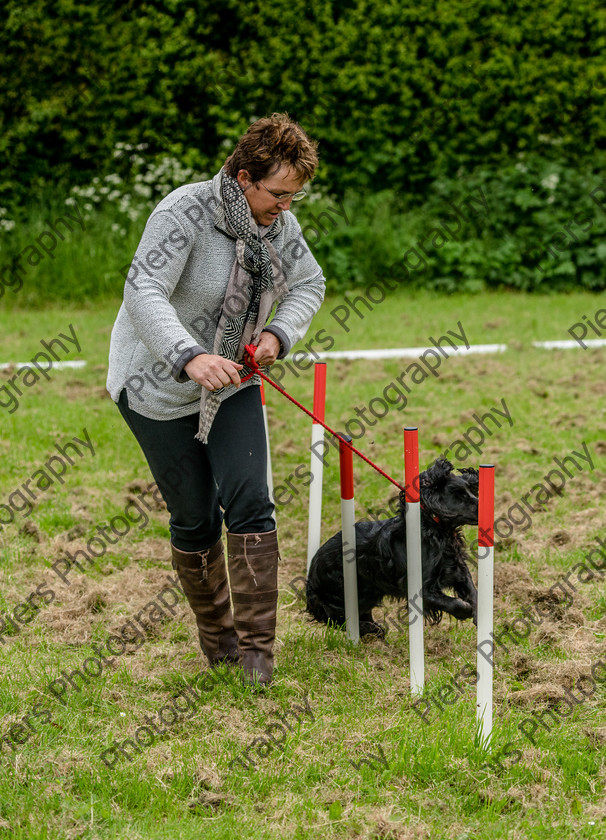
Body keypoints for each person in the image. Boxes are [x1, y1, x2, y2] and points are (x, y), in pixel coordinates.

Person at [106, 113, 325, 688]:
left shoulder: (280, 228)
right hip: (157, 386)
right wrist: (188, 355)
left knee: (252, 503)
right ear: (244, 176)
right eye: (278, 194)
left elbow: (309, 283)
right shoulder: (184, 213)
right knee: (195, 517)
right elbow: (143, 290)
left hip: (235, 379)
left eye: (295, 196)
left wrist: (277, 334)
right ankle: (220, 643)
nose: (286, 206)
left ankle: (256, 658)